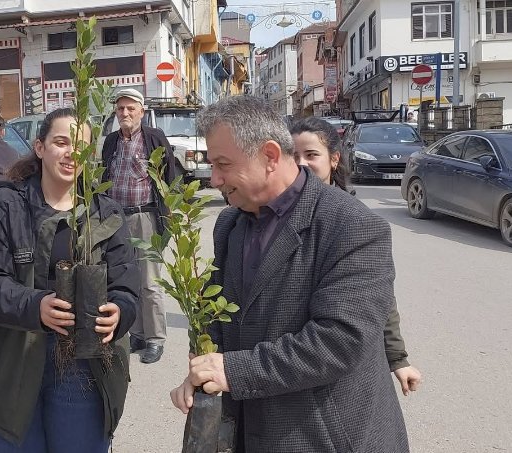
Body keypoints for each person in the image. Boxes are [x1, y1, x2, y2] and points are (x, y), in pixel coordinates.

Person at [170, 96, 409, 452]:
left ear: (269, 156)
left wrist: (232, 371)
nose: (214, 178)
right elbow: (220, 314)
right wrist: (203, 369)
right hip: (252, 429)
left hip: (324, 436)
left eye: (223, 164)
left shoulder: (352, 226)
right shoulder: (230, 223)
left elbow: (340, 341)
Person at [0, 108, 140, 452]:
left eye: (81, 146)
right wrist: (35, 306)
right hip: (14, 361)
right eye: (61, 142)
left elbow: (127, 285)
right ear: (40, 147)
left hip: (83, 368)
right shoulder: (2, 205)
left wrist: (120, 312)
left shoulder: (106, 213)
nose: (72, 153)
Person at [290, 116, 423, 396]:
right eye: (294, 155)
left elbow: (381, 296)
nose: (301, 163)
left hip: (335, 356)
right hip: (291, 351)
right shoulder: (277, 214)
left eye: (311, 155)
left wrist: (397, 358)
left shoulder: (353, 221)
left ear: (334, 159)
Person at [100, 87, 175, 364]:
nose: (125, 113)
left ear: (142, 111)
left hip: (145, 217)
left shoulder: (154, 138)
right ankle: (139, 334)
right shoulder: (111, 142)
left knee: (149, 281)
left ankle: (155, 339)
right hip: (116, 219)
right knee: (125, 277)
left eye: (131, 108)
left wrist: (169, 216)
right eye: (120, 109)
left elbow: (170, 176)